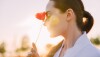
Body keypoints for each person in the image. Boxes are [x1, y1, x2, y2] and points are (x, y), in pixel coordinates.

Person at [27, 0, 100, 57]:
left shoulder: (94, 54)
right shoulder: (55, 52)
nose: (45, 23)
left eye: (49, 14)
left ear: (68, 15)